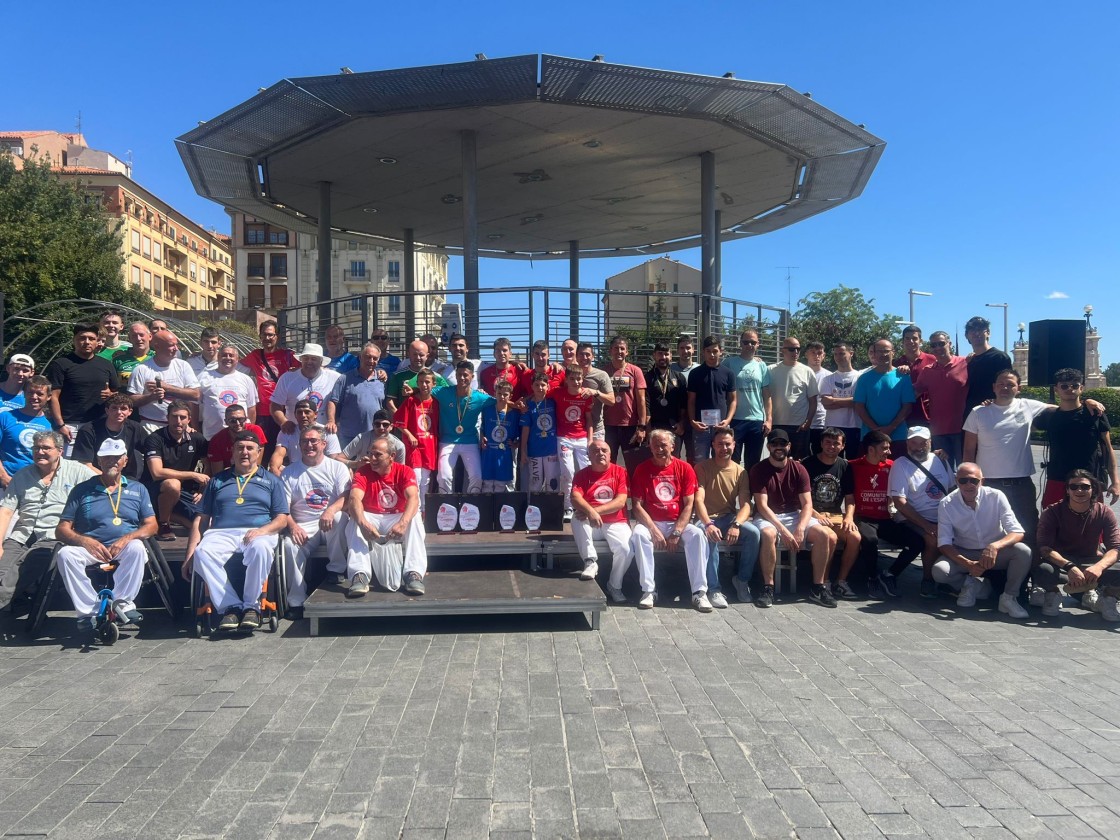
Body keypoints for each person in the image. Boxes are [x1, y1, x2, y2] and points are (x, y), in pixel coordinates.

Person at [962, 368, 1101, 549]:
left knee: (1029, 530)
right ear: (994, 387)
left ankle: (1033, 572)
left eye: (1010, 384)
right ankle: (990, 574)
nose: (1005, 387)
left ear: (1018, 388)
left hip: (1021, 484)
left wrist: (1087, 401)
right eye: (1001, 384)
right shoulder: (978, 412)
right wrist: (970, 481)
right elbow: (968, 450)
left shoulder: (1028, 406)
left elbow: (1065, 405)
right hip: (989, 483)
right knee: (989, 530)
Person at [183, 431, 288, 633]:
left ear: (259, 452)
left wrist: (261, 531)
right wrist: (190, 554)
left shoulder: (272, 481)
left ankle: (251, 606)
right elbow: (201, 519)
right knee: (202, 553)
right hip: (221, 531)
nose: (245, 452)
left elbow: (282, 519)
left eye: (250, 448)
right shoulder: (218, 480)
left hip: (258, 530)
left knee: (260, 548)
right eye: (240, 448)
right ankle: (230, 607)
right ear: (232, 452)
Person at [56, 438, 157, 636]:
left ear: (125, 461)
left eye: (117, 457)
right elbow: (62, 529)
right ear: (99, 461)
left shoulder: (138, 489)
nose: (112, 461)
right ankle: (89, 612)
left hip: (124, 547)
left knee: (136, 547)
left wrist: (127, 538)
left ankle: (123, 603)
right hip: (91, 548)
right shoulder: (82, 490)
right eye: (107, 457)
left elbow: (152, 525)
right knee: (65, 554)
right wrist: (84, 541)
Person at [0, 431, 92, 613]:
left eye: (45, 448)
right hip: (22, 535)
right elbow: (6, 511)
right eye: (36, 448)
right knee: (2, 570)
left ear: (60, 451)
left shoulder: (78, 472)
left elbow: (101, 488)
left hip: (54, 536)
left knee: (21, 569)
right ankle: (14, 606)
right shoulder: (22, 475)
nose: (40, 452)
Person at [749, 428, 837, 608]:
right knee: (768, 534)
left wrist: (800, 529)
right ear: (768, 446)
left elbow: (807, 504)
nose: (778, 447)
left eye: (782, 443)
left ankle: (818, 586)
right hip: (769, 516)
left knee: (823, 534)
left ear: (789, 446)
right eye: (774, 444)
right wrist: (784, 531)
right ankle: (768, 587)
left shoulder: (799, 468)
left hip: (794, 514)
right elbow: (762, 506)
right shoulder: (758, 469)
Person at [933, 461, 1031, 619]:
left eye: (974, 480)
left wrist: (995, 546)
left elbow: (1017, 531)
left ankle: (1008, 597)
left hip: (995, 553)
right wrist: (967, 564)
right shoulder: (946, 503)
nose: (968, 485)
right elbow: (944, 543)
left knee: (1023, 552)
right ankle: (970, 586)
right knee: (940, 571)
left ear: (982, 481)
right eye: (963, 480)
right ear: (956, 481)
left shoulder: (996, 496)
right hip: (965, 551)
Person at [626, 429, 708, 611]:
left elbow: (689, 504)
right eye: (655, 445)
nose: (660, 449)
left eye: (664, 445)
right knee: (638, 534)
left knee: (698, 535)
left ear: (673, 446)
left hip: (677, 522)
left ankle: (699, 593)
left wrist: (676, 532)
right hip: (651, 522)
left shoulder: (684, 468)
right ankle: (649, 590)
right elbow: (637, 506)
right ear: (650, 447)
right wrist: (654, 531)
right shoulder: (642, 469)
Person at [280, 424, 352, 617]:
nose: (309, 445)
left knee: (338, 517)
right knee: (289, 546)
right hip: (303, 525)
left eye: (314, 441)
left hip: (329, 520)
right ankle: (296, 602)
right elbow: (282, 508)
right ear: (299, 444)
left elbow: (346, 496)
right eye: (304, 441)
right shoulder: (289, 472)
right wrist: (293, 527)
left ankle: (336, 569)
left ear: (323, 444)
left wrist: (330, 509)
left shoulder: (337, 467)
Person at [847, 431, 926, 600]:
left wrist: (938, 454)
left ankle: (889, 574)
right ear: (870, 449)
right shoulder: (852, 466)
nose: (889, 452)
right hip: (863, 517)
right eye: (884, 448)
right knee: (870, 540)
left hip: (886, 518)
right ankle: (871, 578)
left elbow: (919, 465)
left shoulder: (893, 466)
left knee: (917, 542)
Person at [345, 437, 427, 597]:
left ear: (392, 456)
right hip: (372, 517)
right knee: (354, 519)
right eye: (370, 454)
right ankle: (359, 575)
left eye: (378, 455)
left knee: (414, 518)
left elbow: (413, 498)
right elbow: (354, 498)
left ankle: (413, 573)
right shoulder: (363, 471)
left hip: (396, 517)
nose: (372, 459)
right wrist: (363, 523)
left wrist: (403, 523)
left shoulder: (405, 471)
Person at [1035, 470, 1120, 621]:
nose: (1079, 490)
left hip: (1092, 562)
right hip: (1061, 563)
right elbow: (1044, 548)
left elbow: (1115, 548)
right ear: (1067, 490)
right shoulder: (1052, 512)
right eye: (1073, 487)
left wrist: (1098, 567)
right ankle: (1052, 594)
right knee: (1042, 569)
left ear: (1093, 489)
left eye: (1085, 487)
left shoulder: (1104, 512)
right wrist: (1069, 566)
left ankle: (1107, 598)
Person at [695, 426, 762, 607]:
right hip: (706, 519)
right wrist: (708, 523)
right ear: (713, 446)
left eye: (727, 444)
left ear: (734, 445)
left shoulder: (741, 472)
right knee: (710, 536)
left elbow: (746, 504)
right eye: (719, 444)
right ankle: (714, 589)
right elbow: (698, 500)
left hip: (729, 518)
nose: (724, 448)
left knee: (754, 533)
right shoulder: (702, 468)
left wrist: (737, 524)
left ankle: (742, 580)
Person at [1033, 368, 1119, 508]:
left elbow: (1108, 450)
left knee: (1092, 526)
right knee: (1053, 525)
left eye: (1075, 385)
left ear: (1081, 388)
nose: (1070, 389)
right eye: (1064, 386)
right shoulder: (1048, 416)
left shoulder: (1094, 413)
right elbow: (1020, 423)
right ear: (1056, 389)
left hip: (1088, 481)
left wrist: (1115, 482)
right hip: (1057, 480)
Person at [887, 426, 953, 598]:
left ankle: (953, 578)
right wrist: (927, 525)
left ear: (930, 442)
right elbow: (899, 502)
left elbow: (952, 489)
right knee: (932, 539)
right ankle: (928, 580)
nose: (918, 447)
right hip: (913, 517)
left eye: (923, 442)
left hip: (942, 515)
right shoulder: (900, 464)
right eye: (914, 443)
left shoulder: (941, 459)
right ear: (907, 443)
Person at [801, 427, 861, 599]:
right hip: (812, 514)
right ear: (821, 443)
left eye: (836, 443)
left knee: (855, 537)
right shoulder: (808, 464)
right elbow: (799, 499)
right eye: (828, 442)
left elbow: (850, 498)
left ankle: (841, 581)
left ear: (842, 446)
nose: (831, 446)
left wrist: (849, 516)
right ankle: (824, 582)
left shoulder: (845, 466)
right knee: (830, 538)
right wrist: (815, 514)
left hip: (835, 514)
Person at [570, 438, 633, 592]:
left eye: (604, 450)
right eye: (595, 451)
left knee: (626, 550)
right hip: (590, 523)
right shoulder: (582, 474)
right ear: (589, 456)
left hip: (615, 521)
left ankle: (614, 585)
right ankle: (590, 562)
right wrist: (590, 512)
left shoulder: (620, 471)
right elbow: (575, 497)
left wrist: (593, 511)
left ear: (610, 454)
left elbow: (620, 501)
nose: (600, 453)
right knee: (577, 519)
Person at [45, 323, 117, 453]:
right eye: (82, 338)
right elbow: (53, 397)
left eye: (91, 339)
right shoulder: (61, 364)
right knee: (67, 467)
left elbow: (116, 393)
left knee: (96, 465)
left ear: (97, 342)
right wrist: (60, 425)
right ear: (74, 340)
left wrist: (111, 395)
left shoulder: (106, 365)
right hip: (69, 425)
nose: (87, 342)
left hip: (98, 424)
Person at [143, 400, 208, 540]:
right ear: (167, 418)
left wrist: (202, 491)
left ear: (189, 420)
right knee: (173, 484)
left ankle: (159, 515)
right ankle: (163, 524)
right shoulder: (155, 438)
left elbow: (208, 465)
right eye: (174, 416)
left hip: (185, 491)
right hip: (156, 490)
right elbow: (157, 472)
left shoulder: (197, 438)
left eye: (182, 417)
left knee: (201, 525)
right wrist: (193, 474)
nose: (178, 421)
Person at [239, 319, 299, 460]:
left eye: (271, 335)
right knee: (263, 451)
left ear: (277, 336)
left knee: (286, 451)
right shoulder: (255, 355)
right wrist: (201, 355)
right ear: (260, 336)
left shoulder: (288, 356)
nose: (267, 338)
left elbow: (308, 369)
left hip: (283, 413)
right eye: (264, 335)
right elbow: (232, 363)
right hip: (263, 413)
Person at [912, 331, 968, 470]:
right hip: (938, 431)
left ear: (949, 344)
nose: (937, 348)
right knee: (944, 472)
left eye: (941, 343)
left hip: (963, 429)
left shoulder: (966, 363)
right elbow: (912, 394)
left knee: (965, 471)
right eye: (933, 345)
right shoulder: (927, 371)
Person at [127, 331, 201, 433]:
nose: (176, 348)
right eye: (171, 345)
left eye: (176, 344)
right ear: (157, 347)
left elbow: (195, 394)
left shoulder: (183, 366)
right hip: (152, 425)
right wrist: (151, 397)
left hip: (180, 426)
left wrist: (167, 388)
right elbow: (131, 401)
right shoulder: (141, 369)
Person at [433, 362, 490, 494]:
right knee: (444, 477)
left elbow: (499, 401)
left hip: (470, 441)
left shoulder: (479, 396)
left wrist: (516, 405)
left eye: (465, 375)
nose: (462, 378)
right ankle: (446, 508)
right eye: (459, 374)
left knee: (476, 477)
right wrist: (410, 387)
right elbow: (424, 386)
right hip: (447, 441)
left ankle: (471, 508)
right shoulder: (443, 392)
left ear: (472, 376)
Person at [853, 338, 915, 458]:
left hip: (898, 436)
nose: (883, 354)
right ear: (874, 354)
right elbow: (859, 407)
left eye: (886, 351)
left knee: (897, 473)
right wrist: (876, 429)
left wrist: (891, 427)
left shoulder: (903, 377)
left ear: (893, 352)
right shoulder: (864, 378)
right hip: (870, 436)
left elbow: (907, 407)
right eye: (879, 351)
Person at [723, 329, 772, 468]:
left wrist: (769, 419)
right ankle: (736, 490)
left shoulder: (761, 365)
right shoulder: (729, 363)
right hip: (735, 420)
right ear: (740, 343)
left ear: (758, 344)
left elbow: (767, 395)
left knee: (754, 463)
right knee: (733, 462)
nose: (749, 345)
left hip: (756, 421)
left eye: (753, 342)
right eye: (746, 342)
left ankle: (751, 490)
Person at [270, 343, 343, 432]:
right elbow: (275, 405)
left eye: (314, 359)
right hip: (294, 433)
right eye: (306, 358)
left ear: (321, 362)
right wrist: (284, 422)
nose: (309, 362)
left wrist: (334, 422)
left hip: (323, 434)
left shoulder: (335, 378)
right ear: (301, 360)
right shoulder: (287, 378)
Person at [72, 392, 146, 479]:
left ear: (130, 412)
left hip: (126, 478)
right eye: (114, 408)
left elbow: (149, 449)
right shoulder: (88, 430)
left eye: (123, 408)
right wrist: (110, 479)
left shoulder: (136, 428)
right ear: (107, 411)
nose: (118, 412)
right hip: (95, 477)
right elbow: (84, 463)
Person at [393, 368, 439, 507]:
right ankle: (414, 509)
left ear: (433, 384)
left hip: (430, 446)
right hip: (414, 447)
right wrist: (410, 435)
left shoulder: (436, 402)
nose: (424, 385)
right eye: (421, 382)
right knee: (416, 478)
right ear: (417, 384)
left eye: (427, 382)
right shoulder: (411, 401)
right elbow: (399, 422)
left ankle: (424, 509)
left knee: (426, 480)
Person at [554, 366, 596, 518]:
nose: (576, 381)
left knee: (586, 471)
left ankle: (586, 505)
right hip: (564, 437)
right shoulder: (558, 393)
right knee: (568, 472)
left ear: (582, 379)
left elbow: (589, 419)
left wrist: (590, 439)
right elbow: (538, 394)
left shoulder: (586, 395)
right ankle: (568, 506)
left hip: (582, 438)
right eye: (572, 378)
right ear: (566, 379)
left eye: (578, 378)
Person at [328, 342, 386, 449]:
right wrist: (331, 421)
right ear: (360, 357)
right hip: (349, 435)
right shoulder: (345, 378)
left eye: (375, 358)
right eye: (367, 357)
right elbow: (333, 401)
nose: (371, 361)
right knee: (347, 464)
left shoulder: (382, 380)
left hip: (374, 434)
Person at [768, 337, 819, 460]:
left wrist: (808, 421)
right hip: (777, 424)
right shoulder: (770, 370)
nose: (795, 352)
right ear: (783, 351)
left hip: (799, 426)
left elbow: (813, 401)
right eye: (791, 349)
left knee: (799, 461)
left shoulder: (807, 371)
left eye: (798, 349)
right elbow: (765, 397)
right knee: (777, 459)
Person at [687, 336, 736, 462]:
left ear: (721, 351)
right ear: (703, 352)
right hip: (701, 427)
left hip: (721, 427)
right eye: (708, 351)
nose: (712, 354)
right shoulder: (695, 373)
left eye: (715, 351)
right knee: (700, 463)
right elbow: (691, 401)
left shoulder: (728, 373)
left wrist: (727, 420)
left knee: (721, 461)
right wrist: (693, 421)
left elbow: (733, 400)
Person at [0, 376, 53, 491]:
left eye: (39, 394)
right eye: (30, 392)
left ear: (48, 397)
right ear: (24, 393)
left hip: (33, 484)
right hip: (6, 481)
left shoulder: (49, 425)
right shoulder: (5, 417)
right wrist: (3, 477)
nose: (34, 397)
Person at [602, 336, 648, 466]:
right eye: (616, 348)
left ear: (627, 352)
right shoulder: (604, 371)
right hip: (608, 426)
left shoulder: (635, 371)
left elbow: (641, 400)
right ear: (610, 351)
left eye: (622, 348)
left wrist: (642, 426)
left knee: (634, 465)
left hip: (631, 426)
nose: (619, 351)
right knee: (608, 464)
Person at [197, 344, 258, 441]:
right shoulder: (204, 377)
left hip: (240, 437)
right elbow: (195, 405)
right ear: (218, 357)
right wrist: (196, 430)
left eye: (231, 355)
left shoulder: (246, 379)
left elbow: (251, 409)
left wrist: (248, 432)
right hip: (211, 436)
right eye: (224, 355)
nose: (228, 358)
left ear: (237, 359)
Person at [271, 399, 343, 474]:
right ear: (295, 415)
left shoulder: (327, 432)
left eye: (307, 412)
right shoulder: (287, 432)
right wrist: (275, 471)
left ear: (316, 414)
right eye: (299, 412)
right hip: (295, 472)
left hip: (321, 472)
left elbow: (334, 459)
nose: (303, 415)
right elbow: (278, 454)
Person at [819, 343, 862, 459]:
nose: (838, 357)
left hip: (854, 426)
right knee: (831, 459)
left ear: (851, 354)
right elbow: (826, 404)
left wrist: (834, 400)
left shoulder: (860, 377)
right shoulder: (828, 379)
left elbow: (858, 402)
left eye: (842, 353)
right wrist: (850, 401)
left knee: (853, 461)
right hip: (833, 426)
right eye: (836, 354)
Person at [519, 371, 560, 493]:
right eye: (536, 385)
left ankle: (552, 509)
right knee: (535, 482)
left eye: (543, 385)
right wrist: (523, 451)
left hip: (551, 450)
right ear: (532, 387)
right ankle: (533, 508)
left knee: (552, 482)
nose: (540, 388)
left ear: (548, 386)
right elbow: (525, 429)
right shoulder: (528, 406)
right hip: (534, 450)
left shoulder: (553, 402)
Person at [962, 315, 1011, 418]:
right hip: (971, 414)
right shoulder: (969, 361)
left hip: (993, 413)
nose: (976, 333)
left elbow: (1007, 385)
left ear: (988, 332)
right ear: (966, 335)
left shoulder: (1000, 357)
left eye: (980, 330)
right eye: (972, 330)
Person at [645, 342, 688, 451]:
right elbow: (645, 404)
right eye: (660, 354)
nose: (663, 357)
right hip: (654, 426)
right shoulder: (647, 378)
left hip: (674, 427)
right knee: (655, 459)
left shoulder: (679, 377)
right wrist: (648, 428)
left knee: (673, 459)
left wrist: (682, 423)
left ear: (671, 356)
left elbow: (684, 403)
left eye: (666, 354)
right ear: (654, 355)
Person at [480, 379, 520, 492]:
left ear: (510, 396)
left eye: (505, 394)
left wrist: (516, 442)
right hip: (489, 452)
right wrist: (481, 436)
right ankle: (487, 509)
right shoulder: (487, 410)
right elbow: (480, 427)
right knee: (487, 484)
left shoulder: (514, 414)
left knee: (501, 486)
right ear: (495, 394)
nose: (502, 397)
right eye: (499, 393)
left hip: (504, 455)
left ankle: (499, 509)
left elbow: (518, 434)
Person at [894, 325, 936, 426]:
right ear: (902, 341)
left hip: (928, 417)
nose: (911, 341)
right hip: (902, 417)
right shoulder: (895, 364)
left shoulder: (933, 360)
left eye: (914, 338)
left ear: (920, 341)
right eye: (907, 338)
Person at [339, 408, 405, 471]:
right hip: (363, 476)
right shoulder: (362, 438)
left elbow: (400, 470)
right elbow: (338, 458)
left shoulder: (399, 446)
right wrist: (356, 464)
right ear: (373, 425)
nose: (381, 427)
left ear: (391, 427)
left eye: (385, 425)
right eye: (377, 424)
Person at [575, 342, 617, 438]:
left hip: (596, 429)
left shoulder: (601, 375)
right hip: (575, 430)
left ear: (593, 357)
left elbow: (611, 401)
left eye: (588, 354)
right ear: (576, 357)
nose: (584, 357)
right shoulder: (570, 375)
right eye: (581, 354)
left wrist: (596, 392)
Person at [387, 340, 443, 411]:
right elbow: (390, 401)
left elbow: (446, 398)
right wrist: (399, 417)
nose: (418, 358)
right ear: (408, 354)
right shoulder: (397, 376)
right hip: (406, 420)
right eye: (414, 354)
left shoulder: (437, 377)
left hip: (430, 420)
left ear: (427, 356)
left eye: (421, 355)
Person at [207, 405, 266, 473]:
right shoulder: (217, 440)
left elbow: (257, 464)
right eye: (233, 420)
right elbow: (217, 472)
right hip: (228, 476)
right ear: (226, 422)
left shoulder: (255, 431)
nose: (238, 423)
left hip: (251, 473)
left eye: (241, 419)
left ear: (246, 419)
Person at [112, 322, 154, 392]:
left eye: (141, 335)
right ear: (129, 338)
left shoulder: (157, 358)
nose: (138, 338)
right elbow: (112, 387)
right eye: (134, 335)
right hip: (125, 401)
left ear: (150, 336)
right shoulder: (119, 360)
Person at [804, 341, 830, 454]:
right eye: (813, 352)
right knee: (802, 457)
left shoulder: (829, 376)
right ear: (806, 354)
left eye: (819, 353)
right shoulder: (799, 372)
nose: (816, 356)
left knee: (820, 455)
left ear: (824, 355)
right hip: (801, 422)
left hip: (821, 423)